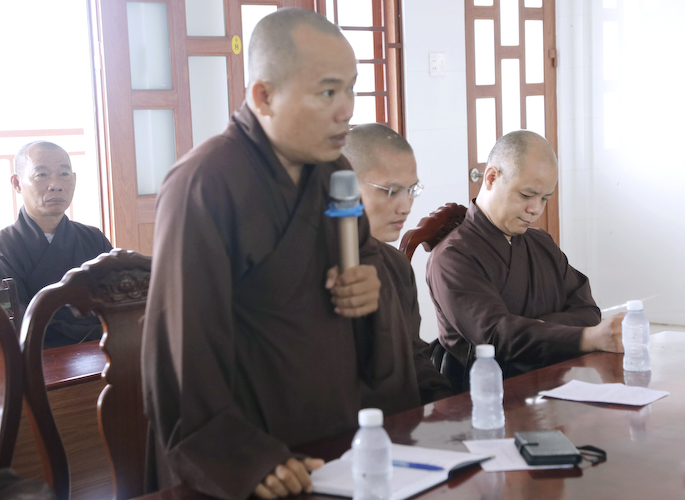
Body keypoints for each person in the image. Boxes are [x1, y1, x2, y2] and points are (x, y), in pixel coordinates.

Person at [142, 9, 425, 500]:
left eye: (351, 89)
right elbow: (183, 347)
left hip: (337, 442)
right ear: (264, 96)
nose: (346, 110)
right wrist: (243, 458)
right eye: (327, 92)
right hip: (253, 462)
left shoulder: (334, 171)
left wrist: (369, 289)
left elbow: (364, 264)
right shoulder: (204, 185)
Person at [427, 130, 624, 380]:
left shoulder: (541, 242)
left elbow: (588, 311)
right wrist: (586, 337)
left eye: (545, 199)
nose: (535, 209)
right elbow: (496, 337)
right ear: (491, 177)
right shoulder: (452, 257)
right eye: (526, 195)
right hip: (485, 391)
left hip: (554, 381)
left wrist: (534, 328)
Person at [342, 123, 452, 404]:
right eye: (391, 191)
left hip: (406, 421)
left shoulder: (397, 265)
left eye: (411, 190)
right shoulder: (315, 269)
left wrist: (450, 403)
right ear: (344, 187)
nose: (406, 207)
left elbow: (414, 354)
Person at [0, 141, 112, 348]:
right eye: (42, 174)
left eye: (64, 174)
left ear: (74, 179)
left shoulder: (94, 238)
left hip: (101, 352)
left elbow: (117, 304)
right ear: (17, 183)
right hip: (36, 358)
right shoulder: (4, 247)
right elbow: (15, 325)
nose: (56, 184)